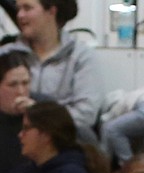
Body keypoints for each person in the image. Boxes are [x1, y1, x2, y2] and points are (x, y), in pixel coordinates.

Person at [0, 0, 103, 140]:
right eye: (18, 9)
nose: (20, 15)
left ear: (51, 11)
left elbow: (86, 114)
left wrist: (41, 114)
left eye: (27, 8)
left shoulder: (80, 56)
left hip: (64, 142)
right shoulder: (6, 55)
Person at [0, 51, 34, 173]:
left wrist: (37, 117)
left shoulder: (44, 108)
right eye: (12, 85)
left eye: (25, 83)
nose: (20, 92)